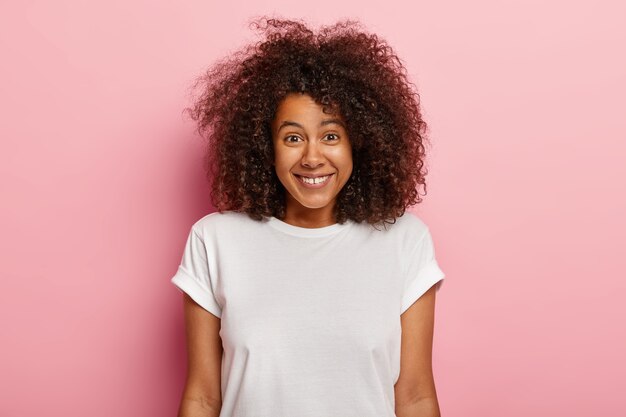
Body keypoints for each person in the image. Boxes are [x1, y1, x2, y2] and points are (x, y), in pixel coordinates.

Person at [171, 17, 446, 417]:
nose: (313, 157)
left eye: (331, 136)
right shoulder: (215, 241)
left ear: (359, 144)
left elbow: (416, 396)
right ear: (267, 147)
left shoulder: (405, 240)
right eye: (293, 137)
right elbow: (202, 397)